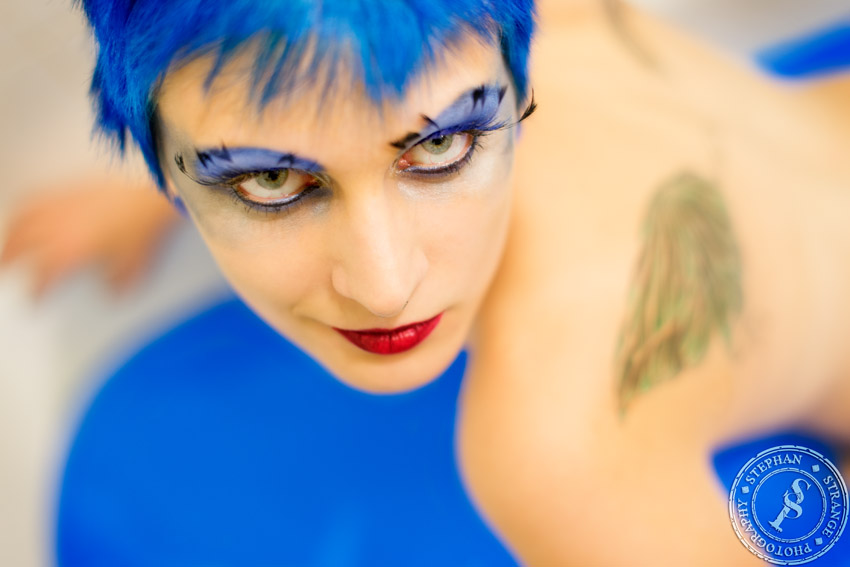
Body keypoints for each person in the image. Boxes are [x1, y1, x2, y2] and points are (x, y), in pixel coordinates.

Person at [42, 0, 850, 565]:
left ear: (523, 94)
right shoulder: (540, 19)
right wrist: (149, 182)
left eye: (441, 147)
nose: (386, 286)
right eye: (270, 179)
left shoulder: (558, 445)